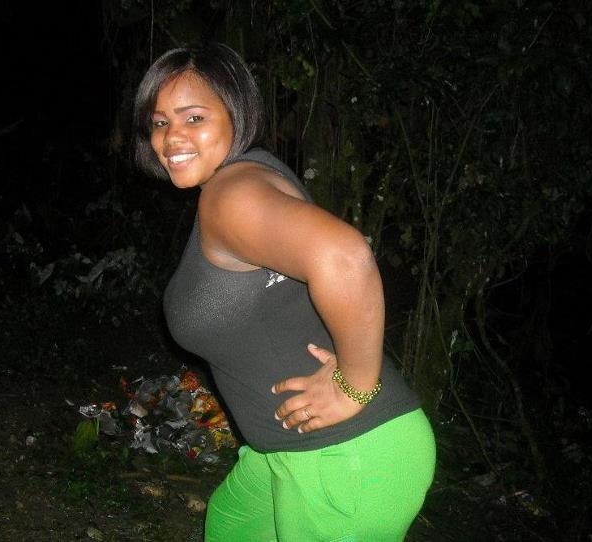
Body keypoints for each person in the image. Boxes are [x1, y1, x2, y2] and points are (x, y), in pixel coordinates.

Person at [133, 42, 435, 542]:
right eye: (160, 122)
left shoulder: (232, 194)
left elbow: (345, 257)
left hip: (345, 456)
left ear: (236, 114)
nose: (171, 137)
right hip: (281, 455)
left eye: (194, 118)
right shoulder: (251, 175)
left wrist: (356, 382)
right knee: (229, 525)